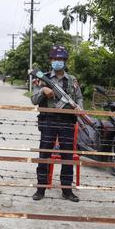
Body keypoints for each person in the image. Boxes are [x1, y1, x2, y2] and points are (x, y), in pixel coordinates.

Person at [31, 45, 83, 202]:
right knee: (44, 155)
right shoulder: (42, 78)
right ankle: (41, 189)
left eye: (60, 59)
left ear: (65, 61)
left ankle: (67, 190)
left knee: (67, 156)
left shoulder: (72, 80)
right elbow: (33, 100)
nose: (57, 61)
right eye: (54, 59)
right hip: (48, 121)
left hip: (67, 121)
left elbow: (79, 97)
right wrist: (42, 91)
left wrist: (79, 107)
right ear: (50, 60)